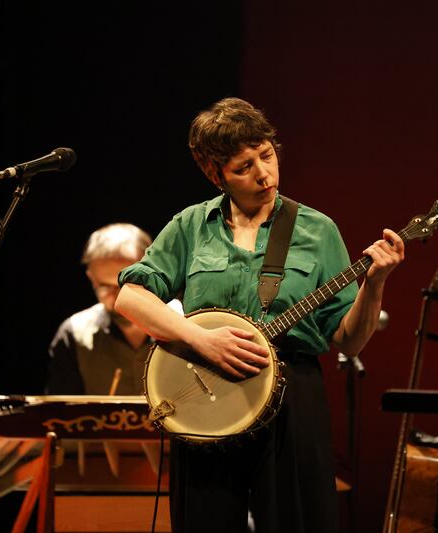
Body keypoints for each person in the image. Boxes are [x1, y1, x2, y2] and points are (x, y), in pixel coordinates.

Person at [114, 97, 404, 532]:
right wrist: (201, 339)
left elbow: (348, 339)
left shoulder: (317, 230)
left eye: (266, 156)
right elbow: (131, 298)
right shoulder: (192, 225)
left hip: (293, 396)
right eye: (243, 167)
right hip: (207, 393)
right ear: (216, 175)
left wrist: (376, 283)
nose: (263, 174)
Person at [46, 223, 154, 395]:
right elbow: (60, 416)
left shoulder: (186, 323)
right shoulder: (72, 333)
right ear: (91, 277)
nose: (117, 298)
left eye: (125, 285)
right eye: (104, 287)